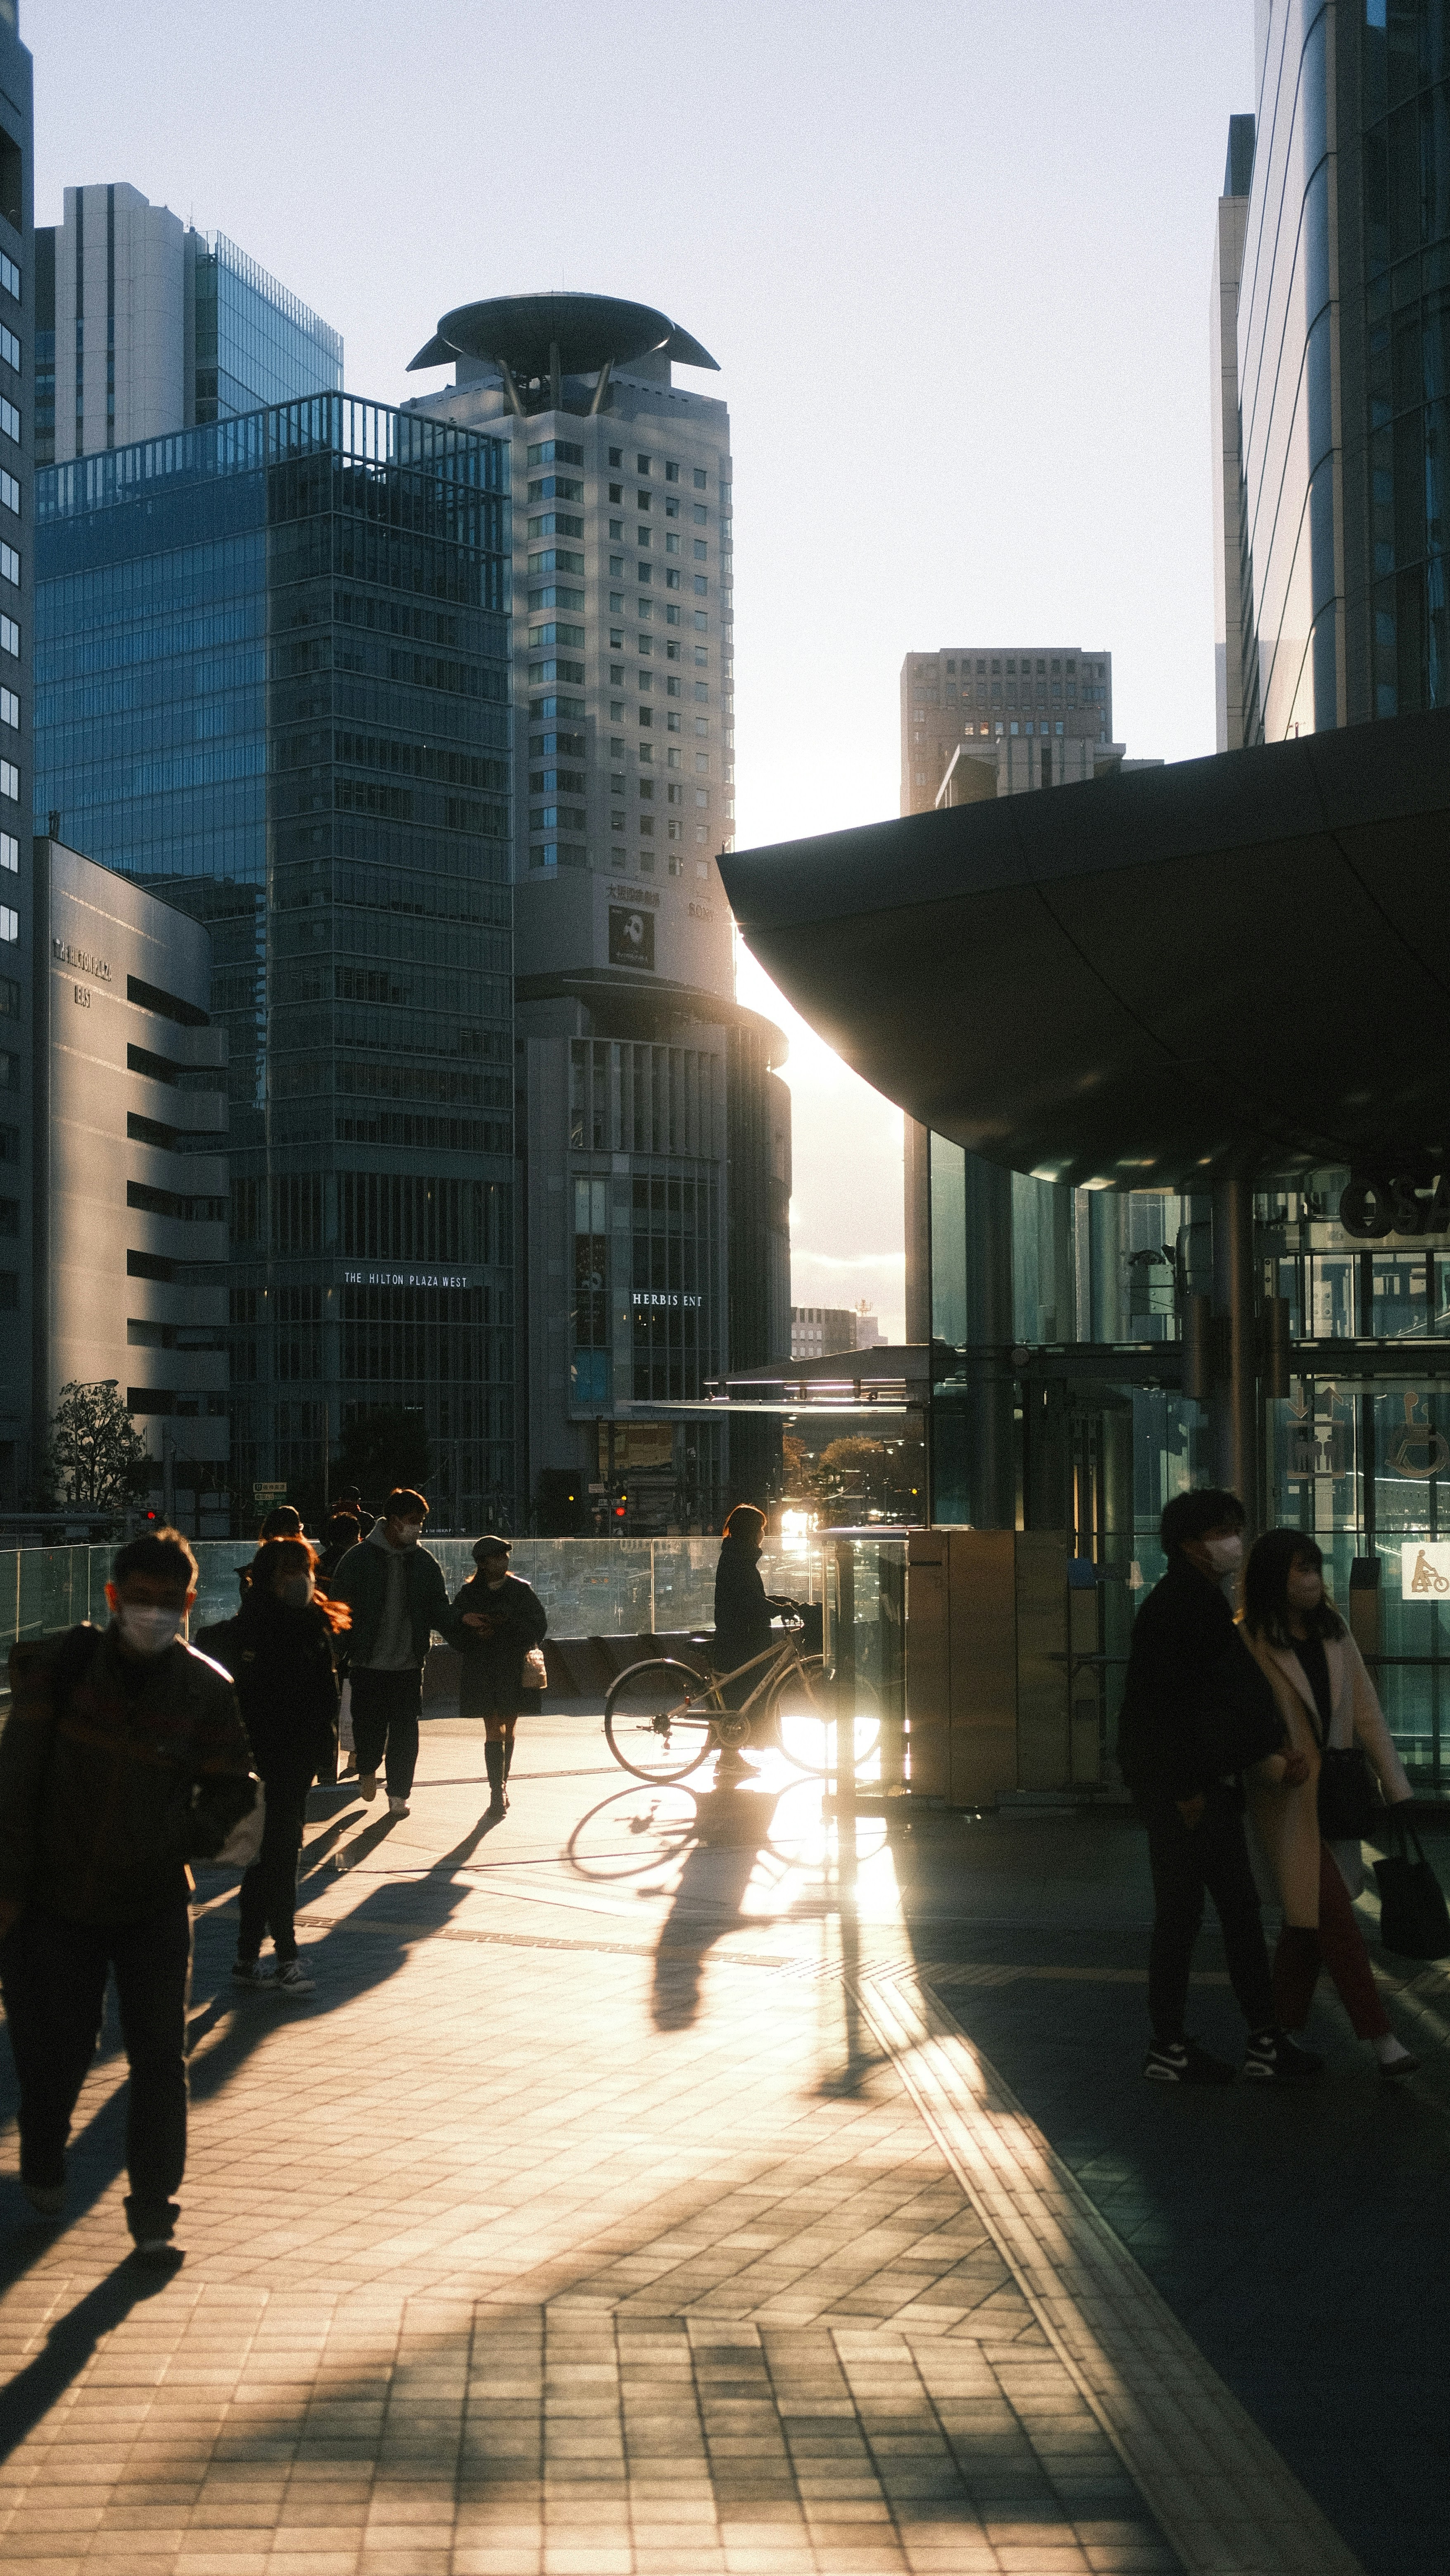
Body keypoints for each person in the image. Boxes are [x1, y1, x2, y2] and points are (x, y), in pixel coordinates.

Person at [0, 1529, 255, 2254]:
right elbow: (15, 1784)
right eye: (139, 1602)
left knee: (158, 2059)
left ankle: (153, 2209)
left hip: (151, 1902)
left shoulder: (207, 1690)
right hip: (58, 1900)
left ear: (188, 1604)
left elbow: (234, 1790)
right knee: (58, 2052)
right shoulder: (65, 1669)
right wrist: (10, 1888)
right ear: (113, 1599)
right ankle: (44, 2148)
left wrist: (184, 1833)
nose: (153, 1616)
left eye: (167, 1604)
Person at [1117, 1488, 1321, 2086]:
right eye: (1222, 1532)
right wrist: (1187, 1788)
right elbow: (1169, 1706)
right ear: (1190, 1544)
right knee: (1206, 1914)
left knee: (1209, 1913)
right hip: (1190, 1790)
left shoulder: (1192, 1599)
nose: (1235, 1542)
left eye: (1237, 1528)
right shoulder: (1183, 1606)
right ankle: (1205, 2045)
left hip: (1196, 1783)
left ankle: (1205, 2043)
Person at [1241, 1530, 1419, 2079]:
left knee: (1306, 1924)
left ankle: (1272, 2041)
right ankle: (1383, 2039)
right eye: (1300, 1569)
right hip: (1287, 1803)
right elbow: (1241, 1726)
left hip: (1337, 1798)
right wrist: (1274, 1766)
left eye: (1316, 1568)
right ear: (1275, 1577)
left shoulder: (1334, 1632)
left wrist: (1398, 1789)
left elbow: (1367, 1713)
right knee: (1335, 1919)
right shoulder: (1250, 1640)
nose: (1313, 1580)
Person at [195, 1539, 346, 1998]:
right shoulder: (251, 1634)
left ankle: (247, 1959)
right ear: (266, 1578)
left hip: (292, 1761)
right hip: (260, 1763)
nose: (300, 1580)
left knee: (268, 1862)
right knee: (278, 1860)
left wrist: (324, 1757)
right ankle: (285, 1957)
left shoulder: (313, 1629)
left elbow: (326, 1698)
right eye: (288, 1572)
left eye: (304, 1569)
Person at [330, 1489, 450, 1818]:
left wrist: (463, 1628)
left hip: (409, 1664)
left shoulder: (424, 1563)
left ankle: (399, 1794)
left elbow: (439, 1608)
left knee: (405, 1731)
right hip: (367, 1662)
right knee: (369, 1727)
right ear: (394, 1521)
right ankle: (368, 1768)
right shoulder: (358, 1559)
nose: (418, 1529)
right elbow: (339, 1611)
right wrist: (337, 1651)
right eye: (414, 1522)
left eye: (421, 1522)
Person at [448, 1537, 547, 1820]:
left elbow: (538, 1625)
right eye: (497, 1558)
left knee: (509, 1727)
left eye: (505, 1557)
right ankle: (497, 1791)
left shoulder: (521, 1591)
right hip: (483, 1668)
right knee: (494, 1728)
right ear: (482, 1563)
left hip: (513, 1667)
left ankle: (502, 1785)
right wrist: (475, 1633)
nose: (503, 1562)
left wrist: (506, 1628)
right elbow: (454, 1627)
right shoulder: (469, 1594)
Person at [711, 1504, 794, 1773]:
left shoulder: (736, 1556)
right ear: (751, 1532)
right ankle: (729, 1758)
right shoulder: (739, 1559)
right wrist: (777, 1609)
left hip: (741, 1636)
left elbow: (749, 1598)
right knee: (741, 1697)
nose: (762, 1535)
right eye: (760, 1529)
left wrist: (777, 1602)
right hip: (741, 1640)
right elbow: (747, 1602)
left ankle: (729, 1756)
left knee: (740, 1698)